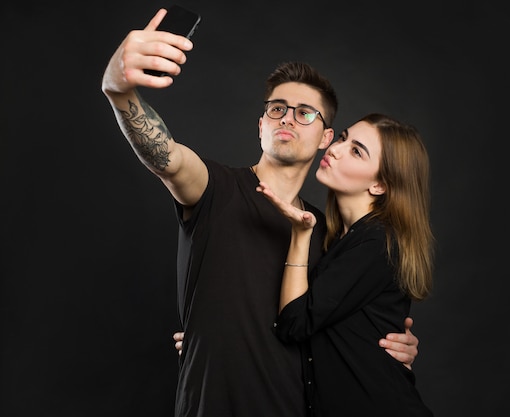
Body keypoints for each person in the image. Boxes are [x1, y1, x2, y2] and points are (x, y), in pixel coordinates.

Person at [101, 7, 420, 417]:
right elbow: (167, 158)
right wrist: (118, 88)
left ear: (325, 138)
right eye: (277, 108)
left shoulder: (326, 234)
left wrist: (396, 345)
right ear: (260, 125)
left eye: (305, 113)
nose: (288, 117)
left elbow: (343, 322)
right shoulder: (214, 187)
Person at [256, 113, 434, 416]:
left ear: (379, 184)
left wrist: (301, 234)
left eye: (356, 151)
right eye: (343, 138)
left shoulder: (377, 243)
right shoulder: (339, 239)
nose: (335, 149)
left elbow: (294, 323)